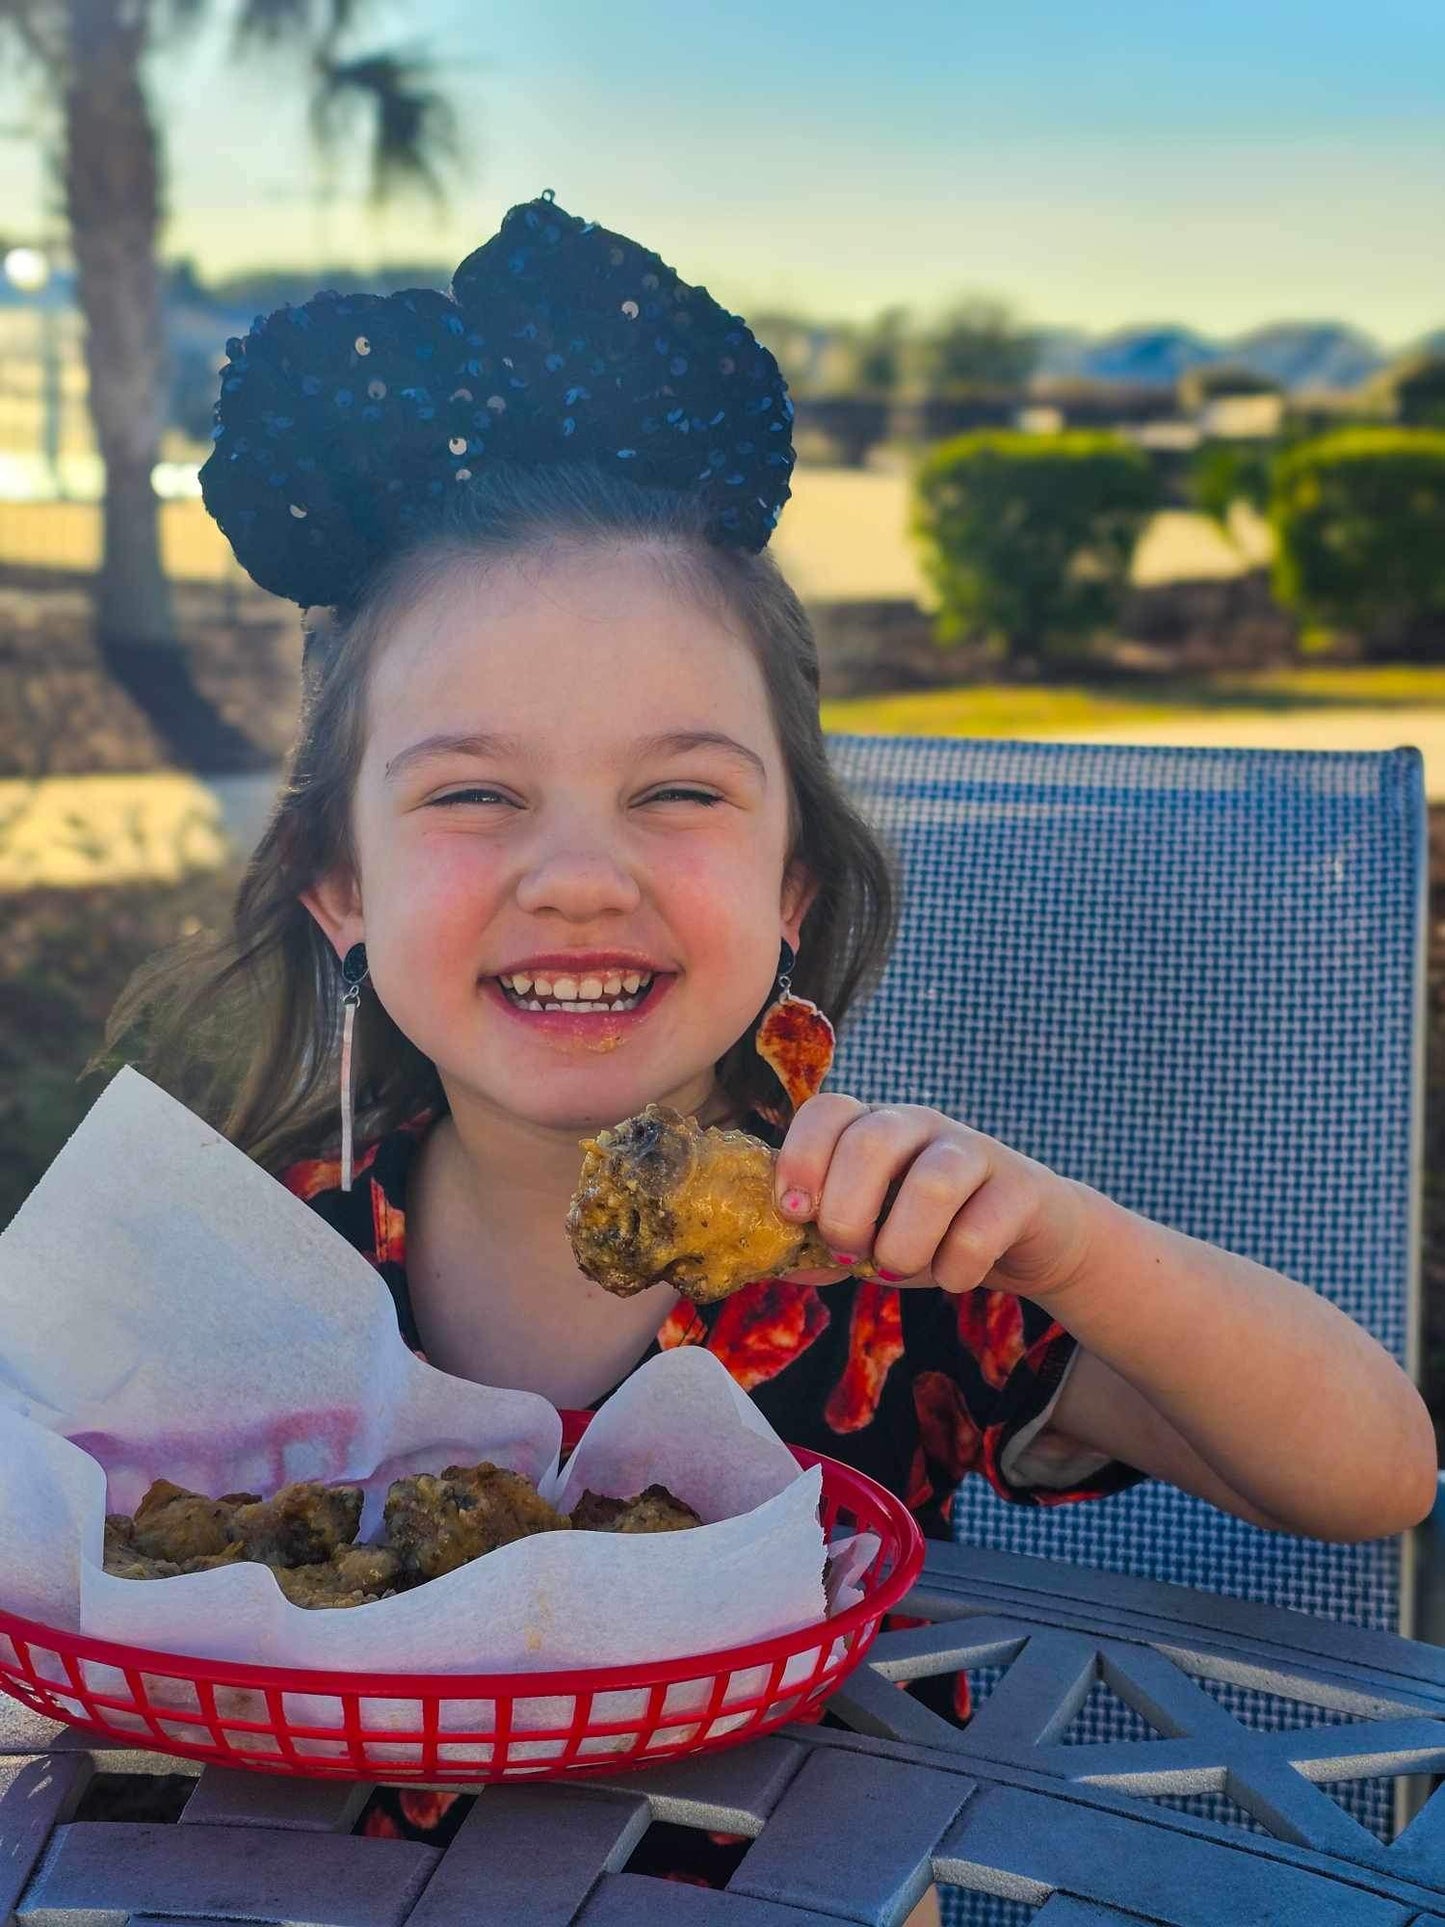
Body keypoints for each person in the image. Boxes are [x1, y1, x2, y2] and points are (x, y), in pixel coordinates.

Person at [112, 193, 1436, 1880]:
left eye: (677, 794)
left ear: (792, 884)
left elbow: (1371, 1475)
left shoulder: (898, 1269)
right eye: (472, 795)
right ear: (335, 882)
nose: (578, 876)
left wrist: (1064, 1247)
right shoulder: (241, 1272)